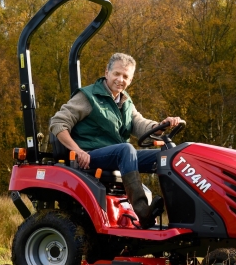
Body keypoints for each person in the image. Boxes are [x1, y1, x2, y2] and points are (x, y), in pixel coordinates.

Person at [49, 53, 181, 229]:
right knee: (126, 149)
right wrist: (78, 151)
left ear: (131, 79)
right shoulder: (88, 97)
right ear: (107, 72)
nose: (120, 79)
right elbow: (58, 123)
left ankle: (180, 215)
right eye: (117, 74)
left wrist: (161, 125)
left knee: (168, 155)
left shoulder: (125, 101)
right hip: (91, 156)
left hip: (119, 157)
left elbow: (139, 123)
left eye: (125, 76)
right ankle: (142, 211)